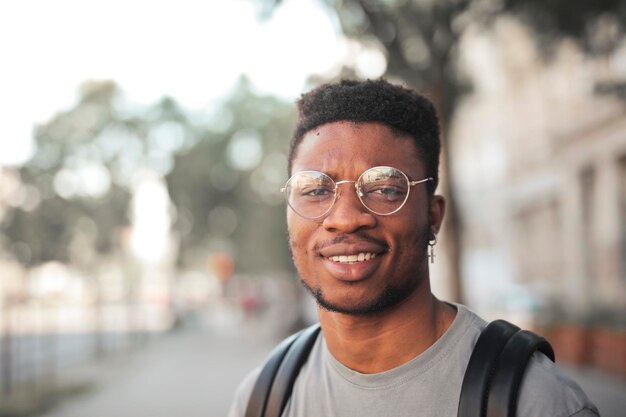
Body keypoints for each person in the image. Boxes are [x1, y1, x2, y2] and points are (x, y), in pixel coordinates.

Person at [227, 79, 598, 417]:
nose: (345, 218)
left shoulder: (534, 401)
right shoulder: (264, 398)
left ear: (433, 216)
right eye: (315, 190)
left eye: (385, 189)